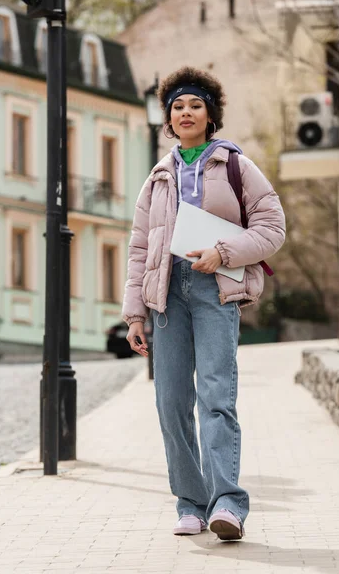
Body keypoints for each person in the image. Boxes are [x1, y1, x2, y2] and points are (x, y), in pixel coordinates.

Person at [122, 66, 285, 541]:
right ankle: (190, 502)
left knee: (216, 398)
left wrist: (224, 253)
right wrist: (135, 313)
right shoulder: (157, 178)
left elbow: (273, 228)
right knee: (171, 402)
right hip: (166, 295)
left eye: (195, 104)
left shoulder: (235, 165)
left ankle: (228, 503)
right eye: (177, 107)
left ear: (210, 114)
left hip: (215, 290)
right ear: (168, 120)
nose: (186, 112)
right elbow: (138, 248)